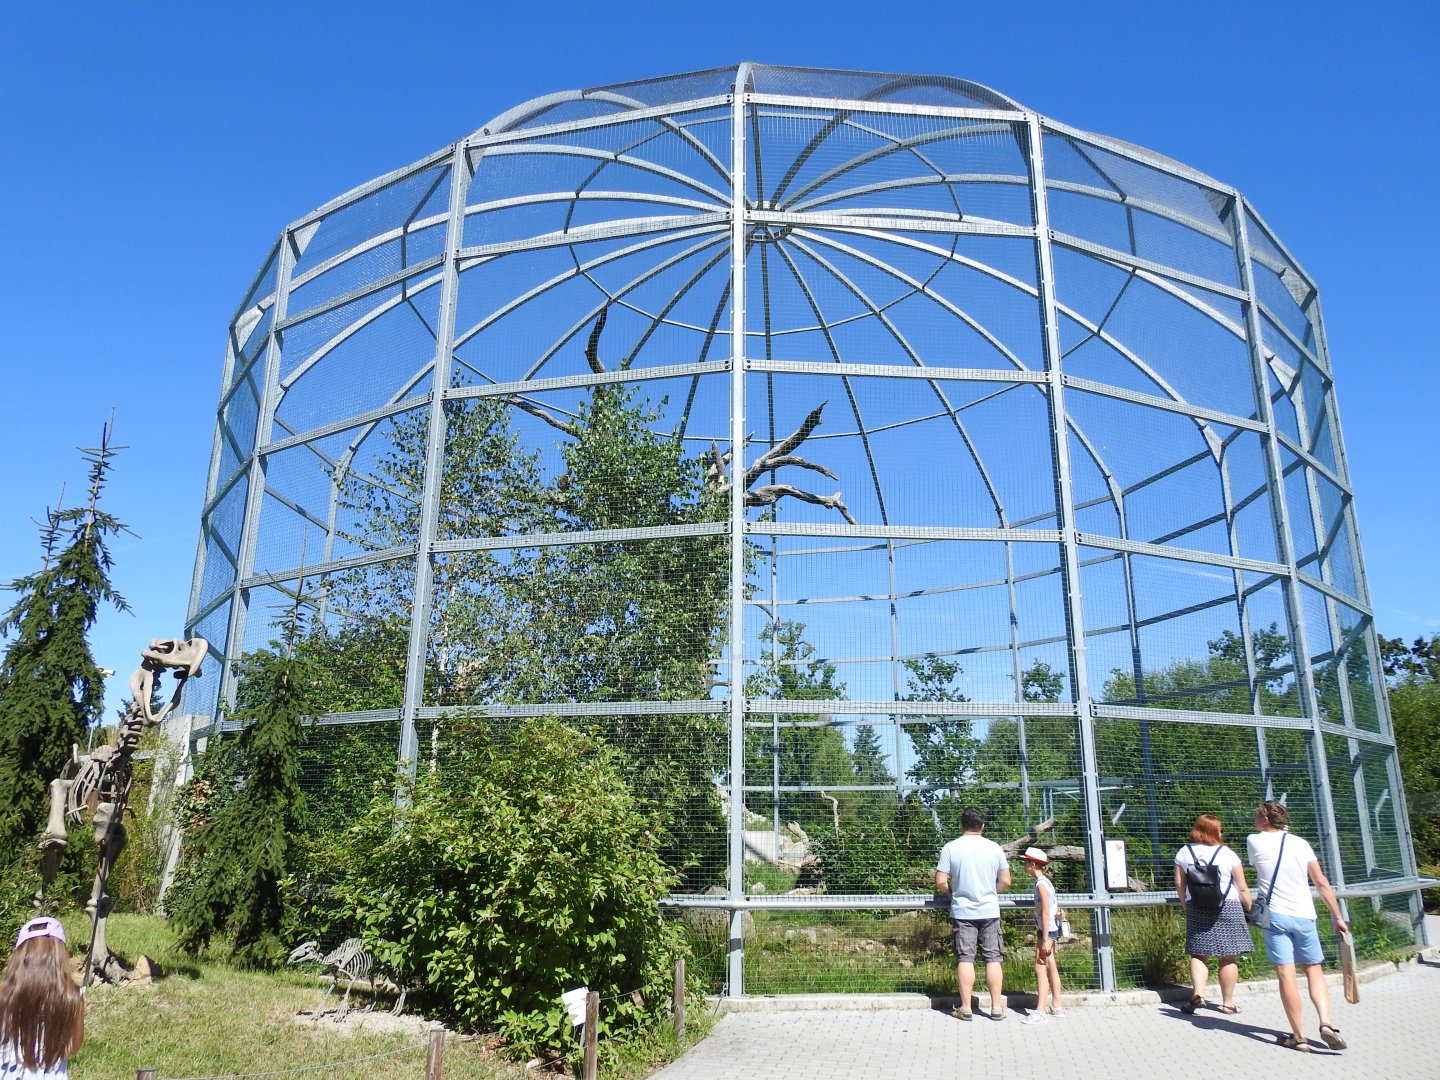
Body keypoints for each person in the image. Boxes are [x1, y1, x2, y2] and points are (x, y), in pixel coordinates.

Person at [1247, 800, 1350, 1052]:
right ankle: (1327, 1024)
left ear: (1265, 819)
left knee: (1286, 974)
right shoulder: (1301, 844)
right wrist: (1337, 916)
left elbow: (1257, 865)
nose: (1254, 819)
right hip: (1305, 914)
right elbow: (1321, 882)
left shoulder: (1254, 840)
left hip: (1276, 916)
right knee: (1314, 969)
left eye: (1257, 815)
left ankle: (1299, 1036)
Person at [935, 806, 1012, 1020]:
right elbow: (1006, 880)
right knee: (993, 957)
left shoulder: (951, 847)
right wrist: (990, 892)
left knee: (965, 958)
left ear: (962, 825)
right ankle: (996, 1008)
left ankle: (966, 1008)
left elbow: (940, 881)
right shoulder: (994, 847)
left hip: (962, 911)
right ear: (982, 826)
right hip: (989, 909)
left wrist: (953, 894)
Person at [1173, 813, 1253, 1016]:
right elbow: (1242, 887)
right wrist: (1250, 908)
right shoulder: (1227, 854)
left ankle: (1198, 994)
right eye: (1220, 828)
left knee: (1199, 953)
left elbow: (1179, 884)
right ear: (1213, 830)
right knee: (1228, 957)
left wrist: (1185, 905)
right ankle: (1228, 1003)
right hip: (1229, 905)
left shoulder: (1184, 852)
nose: (1221, 831)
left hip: (1196, 905)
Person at [0, 917, 85, 1078]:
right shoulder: (72, 997)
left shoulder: (3, 995)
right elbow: (73, 1047)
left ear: (19, 957)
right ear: (61, 957)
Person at [1018, 847, 1066, 1024]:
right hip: (1051, 929)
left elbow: (1046, 911)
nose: (1023, 864)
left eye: (1025, 862)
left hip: (1046, 931)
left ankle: (1040, 1011)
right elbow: (1053, 908)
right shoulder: (1046, 882)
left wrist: (1045, 938)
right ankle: (1057, 1005)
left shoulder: (1040, 884)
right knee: (1051, 964)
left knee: (1040, 967)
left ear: (1032, 864)